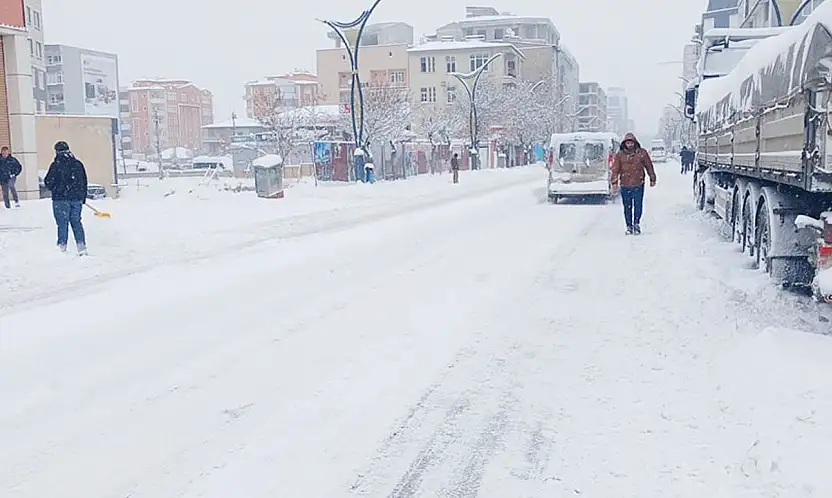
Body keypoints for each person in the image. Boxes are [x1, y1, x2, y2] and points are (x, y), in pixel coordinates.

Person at [44, 141, 88, 254]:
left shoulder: (56, 165)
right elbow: (84, 181)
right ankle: (81, 246)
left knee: (62, 224)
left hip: (60, 199)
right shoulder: (77, 164)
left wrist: (55, 188)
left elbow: (48, 182)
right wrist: (82, 197)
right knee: (76, 222)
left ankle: (62, 247)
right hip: (76, 198)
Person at [611, 132, 657, 235]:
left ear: (635, 143)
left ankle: (636, 223)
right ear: (624, 143)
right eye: (628, 143)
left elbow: (649, 166)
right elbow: (615, 169)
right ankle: (629, 226)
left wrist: (652, 178)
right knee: (627, 207)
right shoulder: (620, 155)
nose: (630, 145)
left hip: (638, 183)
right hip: (625, 184)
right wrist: (614, 181)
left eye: (631, 143)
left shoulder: (642, 153)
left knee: (638, 205)